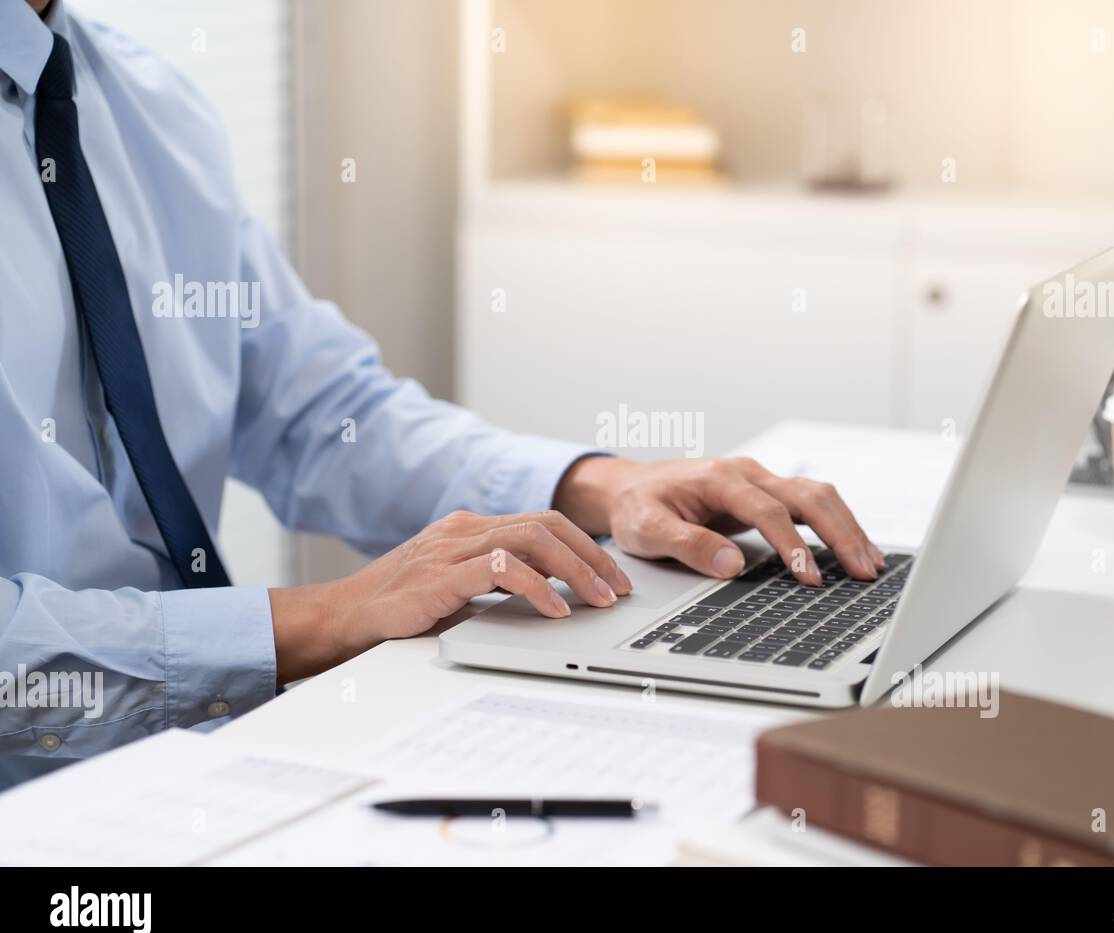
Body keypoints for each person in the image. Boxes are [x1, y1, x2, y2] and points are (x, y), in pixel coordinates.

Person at [0, 0, 883, 757]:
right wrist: (322, 618)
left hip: (213, 758)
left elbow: (320, 414)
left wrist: (603, 488)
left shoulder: (156, 108)